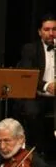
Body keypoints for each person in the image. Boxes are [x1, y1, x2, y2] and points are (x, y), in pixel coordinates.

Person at [16, 13, 56, 158]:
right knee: (31, 111)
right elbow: (27, 75)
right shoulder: (30, 49)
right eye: (47, 29)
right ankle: (38, 151)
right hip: (37, 95)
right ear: (39, 32)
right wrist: (46, 86)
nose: (51, 33)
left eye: (54, 29)